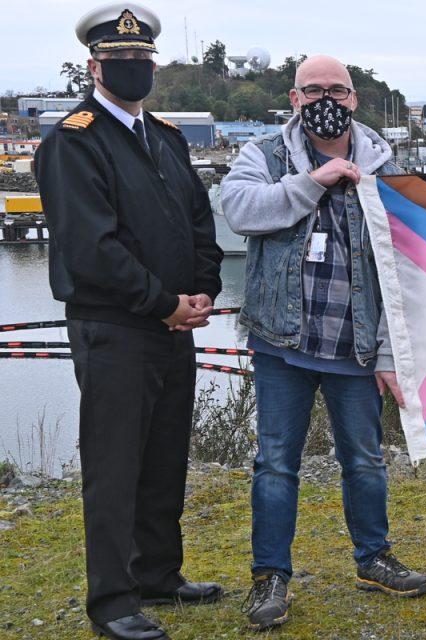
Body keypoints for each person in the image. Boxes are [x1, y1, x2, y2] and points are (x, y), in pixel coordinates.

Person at [33, 4, 224, 639]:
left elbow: (199, 221)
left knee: (166, 457)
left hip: (174, 326)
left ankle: (159, 576)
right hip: (114, 328)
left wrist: (201, 293)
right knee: (115, 468)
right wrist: (162, 303)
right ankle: (113, 601)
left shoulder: (166, 138)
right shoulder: (74, 141)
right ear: (95, 65)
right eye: (119, 60)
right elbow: (93, 248)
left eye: (141, 60)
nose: (132, 68)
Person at [221, 54, 426, 631]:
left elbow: (404, 271)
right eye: (312, 90)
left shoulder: (387, 167)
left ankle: (373, 558)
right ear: (293, 98)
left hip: (355, 347)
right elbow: (239, 210)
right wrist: (313, 182)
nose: (325, 100)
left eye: (336, 89)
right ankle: (270, 577)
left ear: (355, 97)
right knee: (275, 464)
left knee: (364, 459)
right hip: (280, 343)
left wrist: (389, 351)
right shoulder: (260, 156)